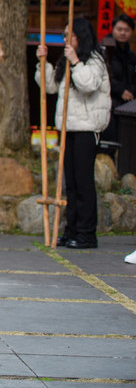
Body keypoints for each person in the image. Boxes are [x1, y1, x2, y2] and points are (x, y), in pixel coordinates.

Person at [35, 17, 111, 249]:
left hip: (88, 128)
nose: (66, 40)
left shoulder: (95, 60)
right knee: (70, 182)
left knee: (83, 180)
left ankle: (87, 233)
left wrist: (76, 61)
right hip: (68, 127)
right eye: (64, 36)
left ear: (81, 37)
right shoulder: (67, 60)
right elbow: (49, 86)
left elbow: (88, 85)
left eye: (70, 35)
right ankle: (72, 229)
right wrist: (43, 61)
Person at [105, 14, 136, 147]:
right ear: (113, 29)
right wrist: (120, 90)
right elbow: (104, 76)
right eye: (119, 29)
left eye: (127, 30)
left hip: (128, 104)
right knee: (111, 140)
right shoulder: (106, 51)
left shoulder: (131, 55)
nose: (123, 33)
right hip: (111, 103)